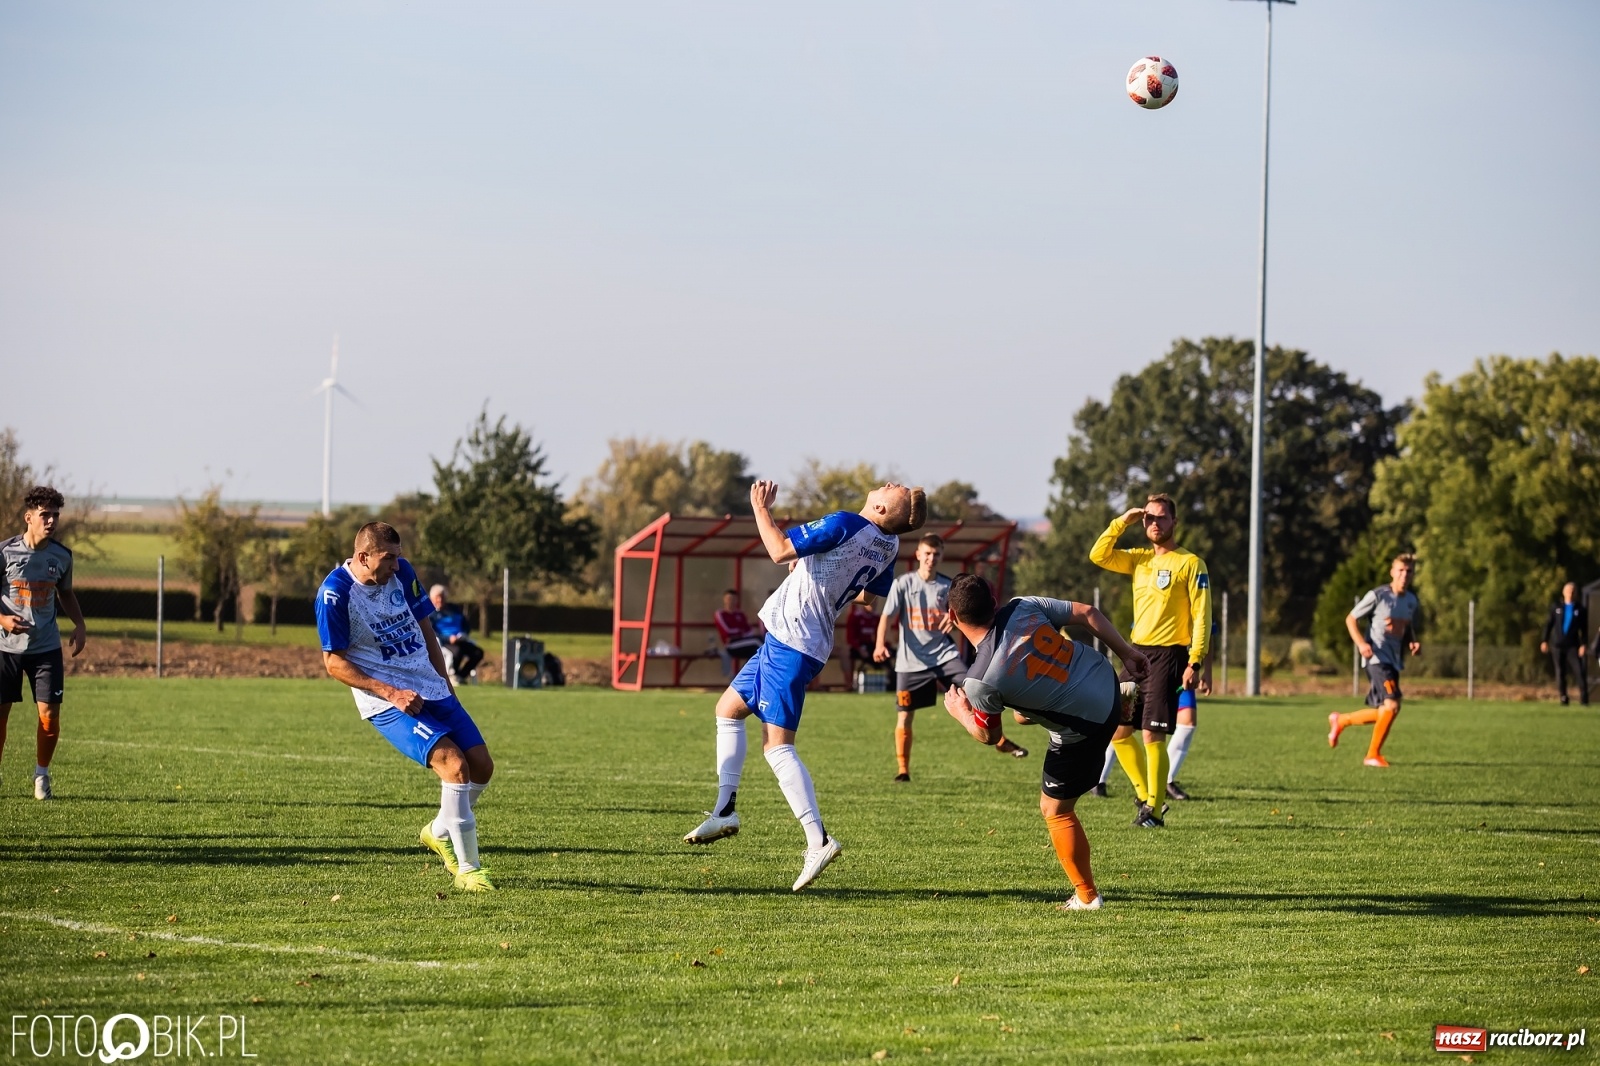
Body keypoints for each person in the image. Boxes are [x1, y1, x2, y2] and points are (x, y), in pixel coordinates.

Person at [683, 479, 925, 892]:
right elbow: (867, 598)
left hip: (794, 640)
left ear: (883, 510)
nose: (888, 483)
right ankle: (724, 810)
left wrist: (760, 508)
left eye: (894, 488)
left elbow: (779, 550)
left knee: (777, 747)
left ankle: (819, 840)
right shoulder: (890, 545)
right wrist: (818, 570)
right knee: (727, 710)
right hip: (795, 639)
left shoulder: (846, 522)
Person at [940, 574, 1148, 911]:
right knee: (1022, 713)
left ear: (952, 616)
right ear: (994, 602)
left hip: (1086, 724)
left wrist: (960, 712)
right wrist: (1127, 653)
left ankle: (1086, 897)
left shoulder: (979, 681)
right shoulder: (1022, 606)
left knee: (1055, 810)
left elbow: (989, 736)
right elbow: (1088, 612)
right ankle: (1114, 705)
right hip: (1103, 675)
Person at [317, 523, 497, 892]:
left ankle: (438, 831)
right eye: (389, 558)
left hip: (430, 685)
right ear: (363, 557)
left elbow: (426, 631)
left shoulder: (403, 573)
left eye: (399, 557)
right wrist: (391, 693)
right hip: (386, 701)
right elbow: (333, 662)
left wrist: (445, 684)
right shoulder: (335, 594)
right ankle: (468, 869)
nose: (397, 566)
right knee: (454, 765)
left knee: (482, 766)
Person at [1088, 493, 1211, 826]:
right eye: (1149, 518)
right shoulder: (1138, 559)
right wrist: (1122, 522)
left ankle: (1154, 810)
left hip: (1169, 656)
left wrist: (1195, 662)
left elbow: (1202, 617)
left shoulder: (1191, 563)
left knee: (1152, 734)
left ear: (1174, 522)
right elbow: (1098, 554)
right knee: (1117, 728)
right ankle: (1145, 795)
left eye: (1161, 517)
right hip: (1135, 654)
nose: (1154, 523)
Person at [874, 533, 1026, 782]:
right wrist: (880, 643)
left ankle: (998, 740)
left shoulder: (947, 587)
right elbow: (887, 616)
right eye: (927, 553)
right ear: (918, 554)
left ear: (941, 556)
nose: (931, 558)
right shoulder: (903, 584)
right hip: (910, 662)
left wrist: (953, 620)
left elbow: (964, 616)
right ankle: (903, 770)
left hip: (945, 656)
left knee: (976, 688)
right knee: (905, 715)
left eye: (936, 554)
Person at [0, 486, 87, 800]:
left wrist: (79, 624)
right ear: (28, 517)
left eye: (55, 515)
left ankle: (41, 776)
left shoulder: (62, 556)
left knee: (49, 716)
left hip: (46, 648)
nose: (51, 521)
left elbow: (66, 593)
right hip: (5, 648)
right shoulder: (4, 552)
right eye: (44, 515)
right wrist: (3, 620)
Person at [1329, 553, 1421, 768]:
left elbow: (1406, 626)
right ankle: (1372, 755)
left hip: (1393, 661)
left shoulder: (1411, 600)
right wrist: (1361, 644)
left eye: (1409, 571)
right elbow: (1351, 619)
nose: (1404, 575)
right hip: (1377, 659)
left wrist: (1412, 642)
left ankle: (1341, 720)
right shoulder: (1378, 596)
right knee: (1392, 704)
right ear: (1392, 572)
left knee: (1385, 711)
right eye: (1400, 570)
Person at [1541, 582, 1589, 706]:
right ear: (1563, 592)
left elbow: (1584, 629)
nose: (1570, 594)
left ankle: (1584, 698)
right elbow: (1549, 625)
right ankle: (1563, 697)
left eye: (1573, 592)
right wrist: (1544, 640)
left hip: (1573, 645)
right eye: (1568, 591)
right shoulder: (1556, 607)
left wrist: (1583, 644)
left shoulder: (1580, 609)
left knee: (1579, 671)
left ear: (1576, 593)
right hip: (1557, 645)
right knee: (1560, 672)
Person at [428, 584, 484, 684]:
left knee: (477, 653)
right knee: (457, 652)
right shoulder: (430, 614)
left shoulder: (454, 609)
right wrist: (448, 638)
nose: (440, 600)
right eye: (437, 598)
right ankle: (453, 675)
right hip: (444, 642)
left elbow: (466, 625)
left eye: (442, 597)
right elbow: (431, 632)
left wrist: (463, 634)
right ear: (432, 599)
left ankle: (461, 676)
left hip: (460, 639)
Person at [713, 589, 763, 677]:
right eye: (729, 599)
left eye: (734, 599)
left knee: (756, 651)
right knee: (758, 642)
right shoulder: (720, 614)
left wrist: (738, 634)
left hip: (743, 642)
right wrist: (741, 632)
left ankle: (743, 675)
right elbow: (727, 631)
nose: (731, 601)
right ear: (724, 600)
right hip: (730, 645)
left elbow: (749, 631)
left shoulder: (740, 614)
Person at [841, 596, 883, 688]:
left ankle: (888, 682)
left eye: (875, 602)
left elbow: (879, 636)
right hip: (857, 647)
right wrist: (860, 649)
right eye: (872, 601)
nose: (873, 604)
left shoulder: (877, 618)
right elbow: (850, 638)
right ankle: (849, 684)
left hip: (872, 647)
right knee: (845, 653)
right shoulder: (855, 616)